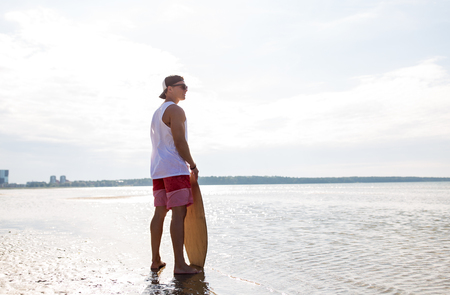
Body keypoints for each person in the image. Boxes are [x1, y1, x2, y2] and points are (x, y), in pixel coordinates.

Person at [150, 75, 200, 275]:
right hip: (174, 169)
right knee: (179, 214)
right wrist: (193, 164)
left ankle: (156, 260)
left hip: (158, 169)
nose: (186, 89)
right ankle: (180, 265)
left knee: (159, 213)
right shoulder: (176, 110)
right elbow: (180, 142)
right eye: (183, 86)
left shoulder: (157, 112)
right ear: (169, 89)